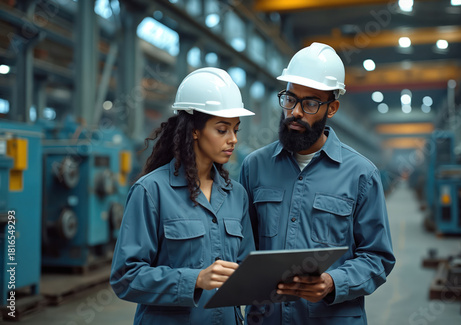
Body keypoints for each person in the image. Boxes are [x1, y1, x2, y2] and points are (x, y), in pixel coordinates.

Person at [239, 42, 396, 325]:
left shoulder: (361, 174)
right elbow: (242, 247)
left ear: (332, 108)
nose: (295, 112)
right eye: (290, 98)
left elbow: (378, 258)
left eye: (310, 103)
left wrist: (333, 282)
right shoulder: (255, 167)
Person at [110, 67, 255, 324]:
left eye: (236, 129)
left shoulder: (237, 195)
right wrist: (195, 280)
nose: (233, 139)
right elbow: (125, 277)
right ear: (194, 131)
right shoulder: (151, 191)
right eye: (222, 130)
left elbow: (245, 267)